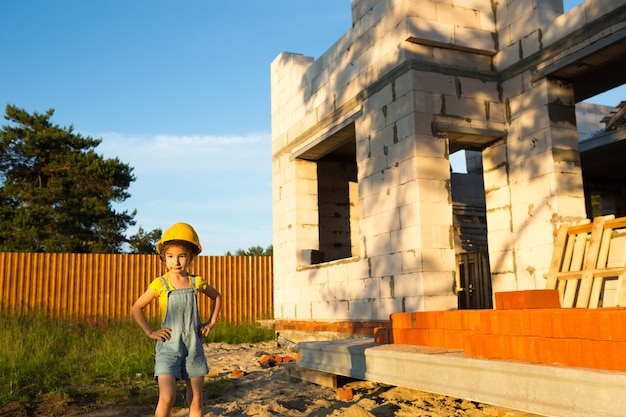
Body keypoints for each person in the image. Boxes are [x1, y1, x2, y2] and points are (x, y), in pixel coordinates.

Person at [132, 222, 222, 417]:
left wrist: (211, 322)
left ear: (191, 256)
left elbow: (217, 296)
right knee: (167, 397)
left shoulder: (196, 281)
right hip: (168, 348)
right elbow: (137, 307)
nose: (176, 261)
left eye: (182, 256)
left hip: (193, 347)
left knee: (196, 399)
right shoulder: (160, 284)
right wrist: (150, 331)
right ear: (164, 257)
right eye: (170, 256)